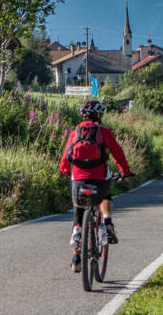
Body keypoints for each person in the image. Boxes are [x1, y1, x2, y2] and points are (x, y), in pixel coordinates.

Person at [59, 100, 133, 272]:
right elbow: (117, 152)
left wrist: (64, 170)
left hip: (77, 176)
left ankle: (76, 252)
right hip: (99, 177)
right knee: (105, 196)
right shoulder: (104, 132)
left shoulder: (75, 132)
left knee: (78, 210)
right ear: (99, 115)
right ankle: (106, 222)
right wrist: (125, 171)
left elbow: (66, 155)